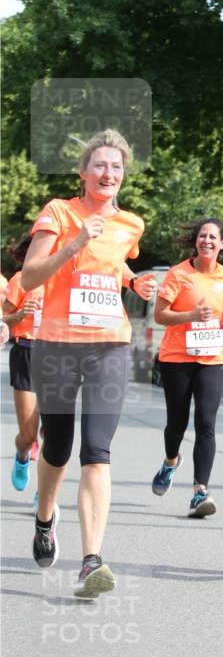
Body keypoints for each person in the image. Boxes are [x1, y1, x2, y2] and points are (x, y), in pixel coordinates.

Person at [21, 128, 156, 598]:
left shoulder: (131, 225)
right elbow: (29, 276)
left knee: (97, 451)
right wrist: (74, 243)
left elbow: (113, 262)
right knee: (57, 447)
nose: (109, 173)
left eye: (116, 167)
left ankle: (91, 561)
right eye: (100, 165)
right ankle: (44, 517)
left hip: (110, 347)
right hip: (57, 346)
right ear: (83, 173)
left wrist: (135, 282)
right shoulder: (59, 213)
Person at [151, 218, 223, 517]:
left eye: (213, 237)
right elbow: (160, 316)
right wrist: (191, 315)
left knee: (206, 423)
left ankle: (199, 492)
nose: (207, 241)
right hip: (177, 358)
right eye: (202, 236)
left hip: (213, 359)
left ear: (222, 243)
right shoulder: (178, 274)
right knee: (176, 423)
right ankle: (170, 462)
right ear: (196, 241)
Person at [3, 235, 44, 491]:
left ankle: (44, 495)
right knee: (28, 435)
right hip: (27, 352)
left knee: (54, 432)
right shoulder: (21, 280)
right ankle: (22, 455)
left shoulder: (67, 281)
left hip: (59, 355)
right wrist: (19, 314)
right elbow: (3, 318)